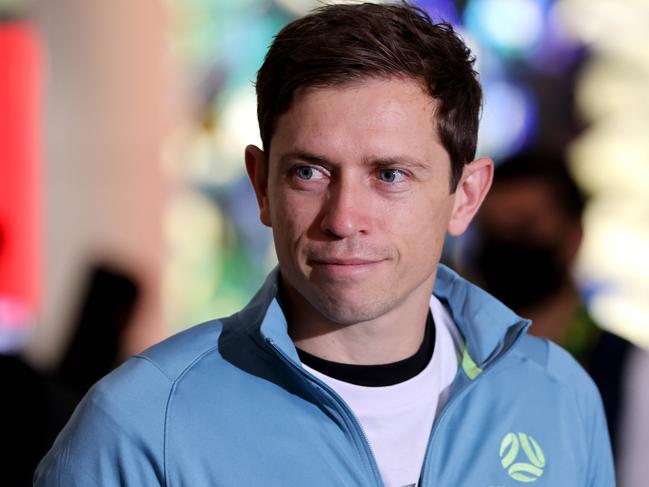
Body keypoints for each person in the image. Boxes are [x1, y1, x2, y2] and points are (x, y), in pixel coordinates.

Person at [35, 3, 614, 486]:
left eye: (389, 175)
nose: (343, 218)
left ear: (465, 195)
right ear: (262, 185)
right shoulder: (141, 425)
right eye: (310, 173)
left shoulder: (556, 396)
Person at [467, 152, 638, 477]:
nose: (506, 244)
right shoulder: (451, 361)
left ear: (574, 236)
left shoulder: (632, 372)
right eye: (492, 229)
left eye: (524, 227)